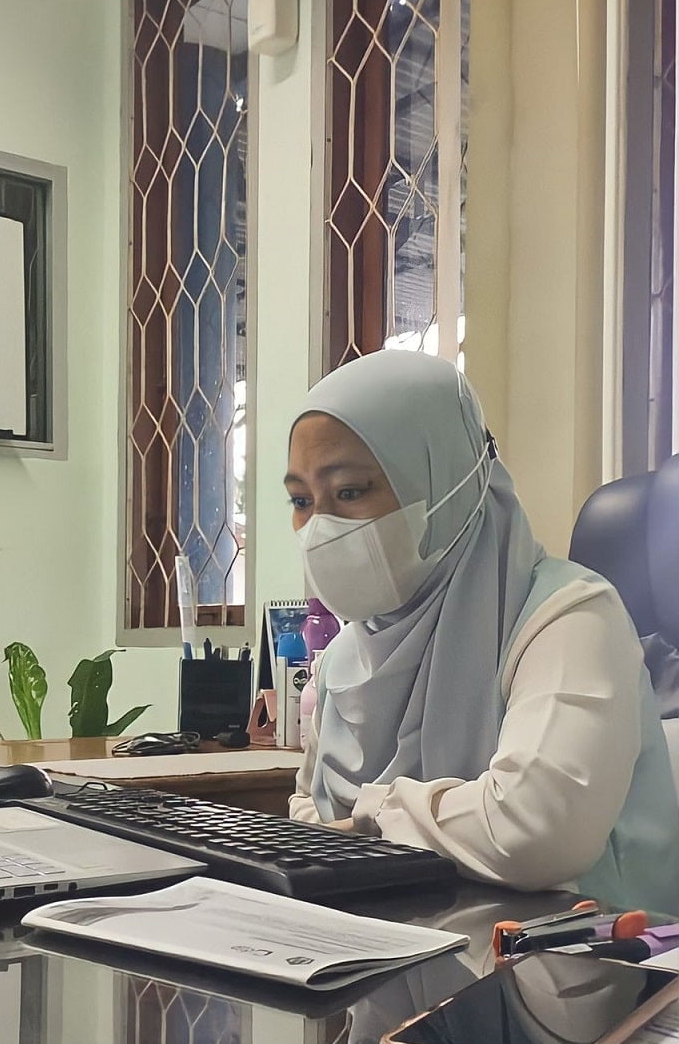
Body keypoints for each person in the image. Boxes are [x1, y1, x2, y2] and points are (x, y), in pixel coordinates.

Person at [286, 350, 679, 913]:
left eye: (349, 491)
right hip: (397, 944)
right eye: (301, 500)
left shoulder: (570, 616)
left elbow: (534, 833)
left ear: (444, 480)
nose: (318, 527)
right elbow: (310, 816)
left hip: (581, 953)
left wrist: (377, 813)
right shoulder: (344, 658)